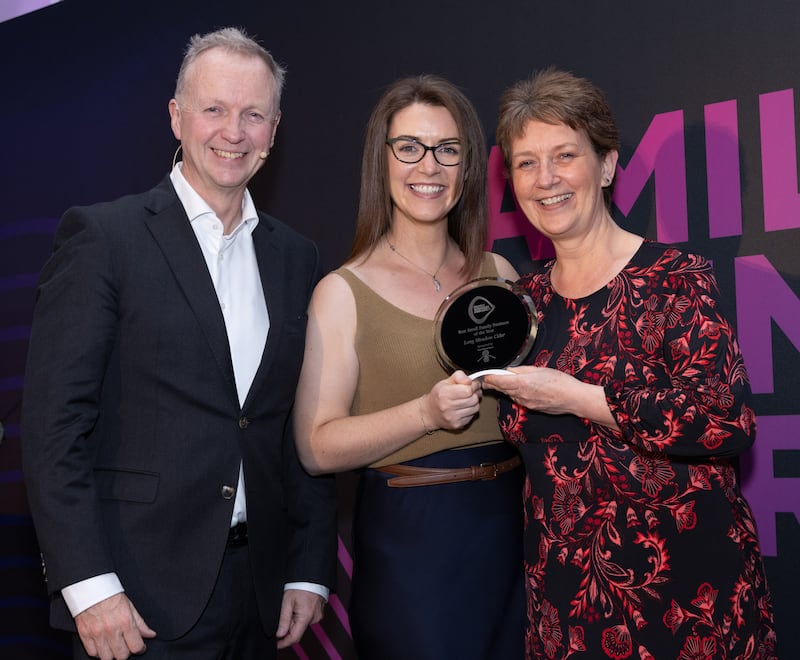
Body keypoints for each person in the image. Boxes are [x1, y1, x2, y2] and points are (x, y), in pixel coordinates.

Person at [21, 27, 337, 660]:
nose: (233, 131)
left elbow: (291, 426)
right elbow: (54, 428)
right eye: (214, 109)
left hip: (261, 595)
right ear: (176, 117)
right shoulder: (105, 238)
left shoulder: (296, 257)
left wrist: (307, 565)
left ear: (274, 131)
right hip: (135, 601)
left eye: (253, 115)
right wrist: (88, 586)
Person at [484, 67, 777, 659]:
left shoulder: (675, 278)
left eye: (565, 155)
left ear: (608, 164)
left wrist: (578, 397)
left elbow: (726, 423)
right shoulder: (524, 304)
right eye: (525, 162)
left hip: (689, 601)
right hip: (565, 606)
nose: (546, 180)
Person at [293, 75, 526, 659]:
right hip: (413, 545)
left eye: (448, 150)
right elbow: (316, 447)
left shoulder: (502, 276)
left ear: (469, 166)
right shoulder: (342, 292)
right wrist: (425, 412)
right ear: (383, 159)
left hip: (515, 533)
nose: (430, 166)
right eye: (410, 147)